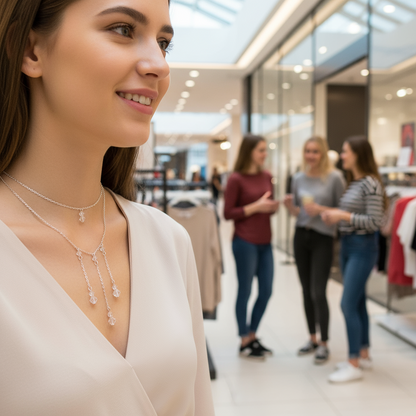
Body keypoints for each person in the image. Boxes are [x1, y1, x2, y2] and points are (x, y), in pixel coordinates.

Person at [0, 1, 215, 415]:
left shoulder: (168, 240)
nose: (159, 64)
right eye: (122, 29)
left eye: (164, 43)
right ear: (31, 51)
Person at [321, 136, 385, 383]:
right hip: (348, 245)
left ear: (358, 154)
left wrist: (342, 215)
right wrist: (337, 217)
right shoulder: (354, 182)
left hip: (362, 247)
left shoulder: (370, 183)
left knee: (347, 304)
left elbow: (374, 221)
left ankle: (353, 362)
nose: (342, 155)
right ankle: (364, 354)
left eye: (346, 151)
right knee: (357, 303)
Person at [284, 136, 345, 364]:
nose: (311, 155)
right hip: (301, 236)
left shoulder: (334, 178)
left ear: (323, 153)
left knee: (318, 291)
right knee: (305, 290)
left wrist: (320, 209)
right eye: (308, 151)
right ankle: (312, 337)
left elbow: (343, 210)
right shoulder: (298, 178)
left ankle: (325, 342)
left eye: (315, 151)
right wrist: (291, 207)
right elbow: (297, 213)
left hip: (323, 237)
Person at [224, 134, 279, 360]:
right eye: (261, 150)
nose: (265, 154)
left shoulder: (267, 175)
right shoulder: (235, 179)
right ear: (249, 152)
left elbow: (269, 207)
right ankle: (244, 338)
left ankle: (252, 334)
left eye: (266, 150)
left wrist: (273, 207)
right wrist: (256, 207)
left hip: (265, 241)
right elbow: (228, 213)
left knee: (266, 291)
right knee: (245, 291)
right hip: (244, 241)